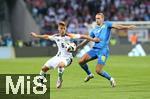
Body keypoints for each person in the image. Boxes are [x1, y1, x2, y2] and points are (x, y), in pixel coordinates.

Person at [30, 21, 100, 88]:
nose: (62, 30)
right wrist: (36, 36)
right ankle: (41, 83)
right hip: (58, 56)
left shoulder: (69, 36)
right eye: (61, 28)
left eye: (64, 28)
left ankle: (60, 79)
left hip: (67, 58)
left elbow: (83, 36)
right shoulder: (56, 36)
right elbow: (46, 36)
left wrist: (93, 40)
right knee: (43, 69)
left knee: (60, 65)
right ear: (58, 29)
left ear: (65, 29)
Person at [77, 13, 136, 87]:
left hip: (103, 51)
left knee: (98, 71)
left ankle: (111, 79)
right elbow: (87, 40)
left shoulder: (107, 24)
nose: (97, 20)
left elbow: (117, 26)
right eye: (96, 18)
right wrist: (79, 46)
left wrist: (127, 27)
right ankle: (89, 74)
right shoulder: (94, 30)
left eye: (98, 18)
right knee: (80, 61)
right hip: (95, 50)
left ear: (102, 19)